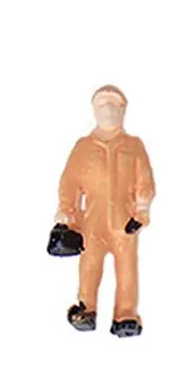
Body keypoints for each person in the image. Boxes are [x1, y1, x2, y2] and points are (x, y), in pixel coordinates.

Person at [55, 85, 155, 336]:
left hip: (124, 221)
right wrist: (67, 211)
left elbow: (144, 180)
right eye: (103, 105)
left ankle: (126, 314)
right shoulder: (84, 147)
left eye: (114, 105)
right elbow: (69, 182)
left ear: (123, 110)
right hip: (93, 221)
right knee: (89, 265)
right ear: (94, 111)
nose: (109, 110)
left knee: (127, 269)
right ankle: (86, 307)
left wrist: (141, 212)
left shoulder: (133, 146)